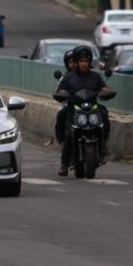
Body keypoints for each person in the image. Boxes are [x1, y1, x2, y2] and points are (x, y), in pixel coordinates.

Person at [56, 46, 111, 176]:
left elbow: (103, 87)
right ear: (76, 62)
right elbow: (60, 90)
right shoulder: (69, 77)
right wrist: (63, 93)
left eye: (86, 61)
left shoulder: (96, 77)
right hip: (75, 109)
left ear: (89, 62)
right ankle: (64, 164)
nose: (84, 64)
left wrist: (106, 91)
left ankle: (103, 148)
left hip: (92, 108)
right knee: (70, 133)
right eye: (81, 61)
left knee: (103, 115)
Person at [54, 49, 76, 145]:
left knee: (103, 112)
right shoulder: (65, 78)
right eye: (70, 62)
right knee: (61, 115)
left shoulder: (90, 75)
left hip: (88, 105)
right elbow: (60, 91)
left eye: (75, 61)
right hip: (72, 106)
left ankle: (102, 142)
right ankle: (62, 140)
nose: (73, 64)